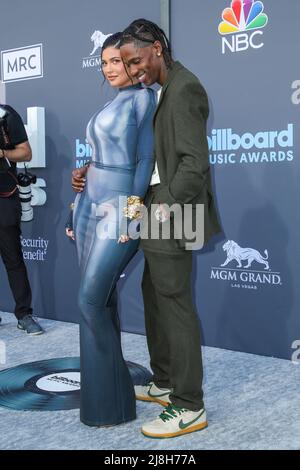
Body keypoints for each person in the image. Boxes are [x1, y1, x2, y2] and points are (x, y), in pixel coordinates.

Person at [119, 19, 221, 438]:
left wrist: (165, 209)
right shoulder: (162, 90)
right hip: (155, 206)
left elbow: (195, 162)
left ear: (158, 48)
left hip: (172, 211)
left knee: (174, 304)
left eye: (136, 60)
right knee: (154, 296)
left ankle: (189, 405)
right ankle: (164, 381)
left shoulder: (184, 88)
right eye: (125, 64)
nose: (131, 70)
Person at [72, 32, 156, 427]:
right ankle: (108, 403)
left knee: (89, 301)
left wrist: (132, 212)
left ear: (133, 62)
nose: (108, 69)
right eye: (104, 62)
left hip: (121, 206)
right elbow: (100, 158)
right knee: (100, 303)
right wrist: (81, 187)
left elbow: (143, 161)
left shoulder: (144, 99)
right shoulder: (111, 103)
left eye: (116, 61)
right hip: (89, 203)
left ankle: (115, 392)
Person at [0, 104, 43, 335]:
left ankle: (24, 314)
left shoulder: (6, 115)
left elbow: (26, 152)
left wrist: (2, 153)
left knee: (13, 258)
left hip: (4, 197)